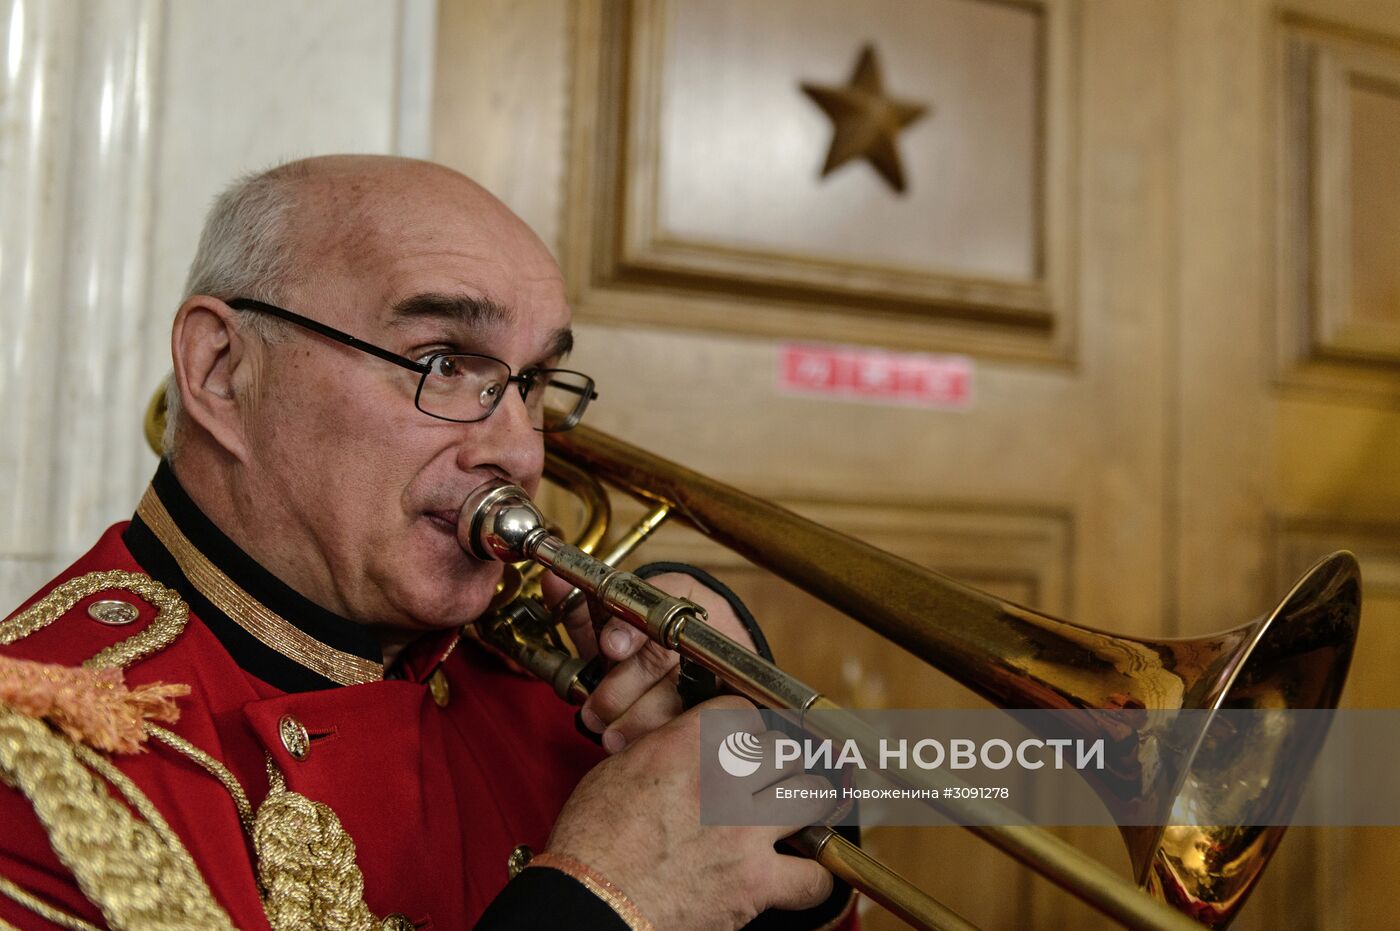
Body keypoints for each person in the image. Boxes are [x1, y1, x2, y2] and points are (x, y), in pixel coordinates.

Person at [0, 156, 856, 930]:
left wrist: (765, 765)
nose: (523, 452)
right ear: (223, 368)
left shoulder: (564, 686)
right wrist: (588, 909)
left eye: (534, 383)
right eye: (443, 360)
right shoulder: (42, 761)